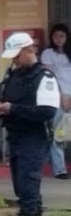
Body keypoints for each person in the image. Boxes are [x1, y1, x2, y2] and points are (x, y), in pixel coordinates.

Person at [0, 33, 60, 216]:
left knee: (28, 185)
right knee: (21, 186)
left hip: (34, 138)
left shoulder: (44, 77)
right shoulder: (13, 75)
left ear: (28, 50)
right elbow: (9, 102)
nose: (14, 60)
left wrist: (13, 109)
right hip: (16, 136)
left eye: (17, 55)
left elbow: (47, 111)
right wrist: (1, 110)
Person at [42, 23, 71, 179]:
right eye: (55, 36)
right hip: (57, 97)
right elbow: (50, 77)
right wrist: (61, 95)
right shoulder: (48, 53)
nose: (59, 39)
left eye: (62, 35)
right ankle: (60, 169)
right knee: (57, 133)